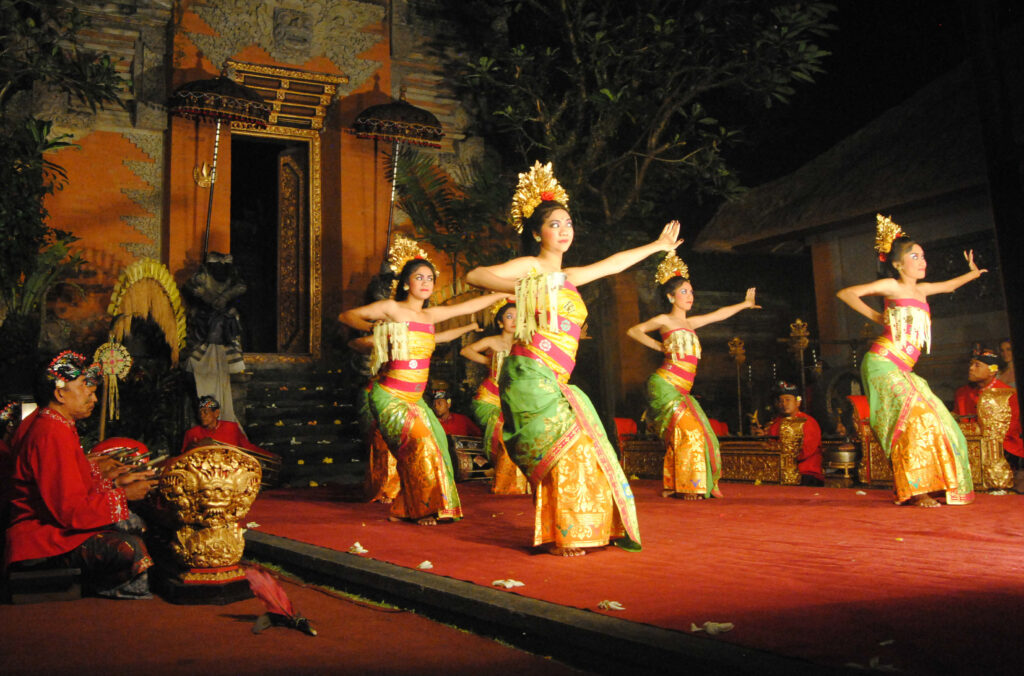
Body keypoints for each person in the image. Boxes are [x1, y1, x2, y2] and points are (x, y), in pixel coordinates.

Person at [465, 161, 679, 556]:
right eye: (554, 225)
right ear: (536, 233)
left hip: (557, 381)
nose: (564, 231)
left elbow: (612, 264)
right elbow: (475, 275)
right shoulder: (531, 268)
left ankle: (577, 530)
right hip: (529, 374)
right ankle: (561, 535)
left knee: (584, 449)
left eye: (568, 224)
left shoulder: (571, 277)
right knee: (563, 449)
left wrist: (657, 247)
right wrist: (525, 286)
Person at [338, 235, 508, 526]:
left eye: (430, 278)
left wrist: (506, 294)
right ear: (406, 283)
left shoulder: (430, 315)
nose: (426, 283)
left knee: (437, 445)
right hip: (390, 396)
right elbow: (347, 316)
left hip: (416, 400)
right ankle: (418, 508)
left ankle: (418, 507)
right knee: (419, 445)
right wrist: (380, 329)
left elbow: (467, 307)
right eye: (419, 277)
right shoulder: (392, 309)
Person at [836, 214, 982, 507]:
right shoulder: (892, 286)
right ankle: (915, 490)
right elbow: (846, 293)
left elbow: (949, 286)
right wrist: (877, 316)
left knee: (941, 420)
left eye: (923, 256)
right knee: (917, 417)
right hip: (882, 362)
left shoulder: (923, 290)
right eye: (914, 256)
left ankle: (937, 483)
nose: (922, 261)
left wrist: (973, 274)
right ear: (898, 264)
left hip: (903, 368)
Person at [4, 351, 157, 598]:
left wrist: (116, 481)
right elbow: (70, 511)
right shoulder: (51, 432)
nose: (92, 396)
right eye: (84, 386)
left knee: (134, 524)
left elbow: (74, 483)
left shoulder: (54, 423)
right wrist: (122, 495)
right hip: (41, 537)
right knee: (132, 547)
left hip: (50, 526)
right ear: (60, 393)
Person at [627, 252, 759, 499]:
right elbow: (634, 330)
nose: (690, 296)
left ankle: (701, 483)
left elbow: (719, 314)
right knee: (690, 432)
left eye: (691, 291)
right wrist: (658, 347)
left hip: (683, 390)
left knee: (707, 434)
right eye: (684, 292)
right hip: (664, 384)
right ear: (670, 296)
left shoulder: (692, 323)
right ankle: (689, 486)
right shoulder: (665, 320)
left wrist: (744, 304)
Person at [352, 323, 481, 505]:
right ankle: (387, 490)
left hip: (409, 397)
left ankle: (423, 494)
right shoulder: (388, 339)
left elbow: (443, 336)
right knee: (384, 442)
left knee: (427, 443)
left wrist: (470, 325)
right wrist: (377, 329)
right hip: (386, 395)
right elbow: (356, 339)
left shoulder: (416, 339)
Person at [461, 301, 531, 495]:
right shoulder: (492, 341)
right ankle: (504, 480)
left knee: (522, 428)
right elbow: (465, 350)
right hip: (488, 399)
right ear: (501, 322)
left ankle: (518, 481)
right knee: (501, 425)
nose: (514, 321)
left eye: (518, 317)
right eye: (509, 317)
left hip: (512, 398)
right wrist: (487, 361)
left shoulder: (524, 343)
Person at [953, 349, 1023, 463]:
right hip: (969, 451)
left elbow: (1012, 429)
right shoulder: (962, 394)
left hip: (1003, 452)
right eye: (971, 364)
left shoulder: (1007, 394)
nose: (971, 368)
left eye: (977, 365)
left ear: (992, 371)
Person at [752, 381, 824, 486]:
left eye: (788, 400)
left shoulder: (807, 422)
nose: (784, 404)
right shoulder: (775, 423)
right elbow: (771, 446)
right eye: (781, 401)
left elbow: (807, 450)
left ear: (798, 402)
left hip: (805, 472)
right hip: (779, 472)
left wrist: (785, 457)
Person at [180, 395, 272, 457]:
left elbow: (248, 447)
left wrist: (270, 455)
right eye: (199, 413)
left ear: (216, 413)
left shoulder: (231, 428)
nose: (201, 416)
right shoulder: (192, 433)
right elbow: (182, 458)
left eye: (205, 412)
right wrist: (196, 446)